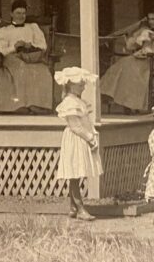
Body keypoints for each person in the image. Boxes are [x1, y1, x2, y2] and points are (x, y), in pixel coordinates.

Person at [100, 12, 154, 113]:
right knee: (123, 63)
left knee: (131, 69)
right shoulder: (144, 30)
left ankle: (133, 105)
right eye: (149, 19)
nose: (151, 22)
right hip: (140, 59)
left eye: (153, 19)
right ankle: (115, 97)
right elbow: (129, 47)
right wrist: (138, 39)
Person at [0, 0, 54, 113]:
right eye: (18, 13)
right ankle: (19, 106)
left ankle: (38, 106)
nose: (21, 16)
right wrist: (14, 47)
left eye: (23, 13)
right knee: (21, 69)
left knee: (43, 71)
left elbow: (43, 45)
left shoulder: (33, 27)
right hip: (12, 57)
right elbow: (0, 49)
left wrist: (30, 45)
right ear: (11, 14)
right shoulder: (4, 31)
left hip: (31, 57)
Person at [54, 66, 103, 221]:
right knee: (74, 174)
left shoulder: (78, 101)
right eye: (81, 84)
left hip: (80, 138)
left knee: (75, 174)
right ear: (72, 85)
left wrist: (91, 135)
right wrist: (90, 138)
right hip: (76, 139)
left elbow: (85, 122)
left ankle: (73, 207)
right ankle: (80, 208)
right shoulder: (69, 102)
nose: (83, 87)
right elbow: (76, 127)